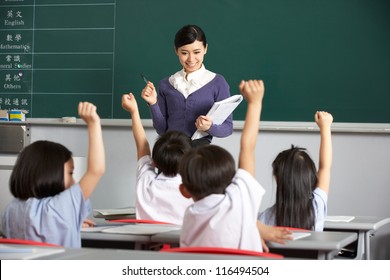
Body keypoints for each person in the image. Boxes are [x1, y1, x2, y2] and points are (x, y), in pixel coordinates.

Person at [177, 79, 266, 251]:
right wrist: (255, 103)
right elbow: (247, 148)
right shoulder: (240, 201)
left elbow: (247, 148)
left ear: (184, 191)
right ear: (231, 179)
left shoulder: (189, 216)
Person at [1, 102, 105, 247]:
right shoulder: (61, 206)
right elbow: (96, 170)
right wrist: (94, 123)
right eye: (70, 173)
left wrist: (72, 221)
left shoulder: (11, 210)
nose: (74, 180)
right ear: (50, 173)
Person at [141, 24, 233, 147]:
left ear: (205, 49)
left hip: (200, 154)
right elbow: (161, 130)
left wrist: (209, 127)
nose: (191, 59)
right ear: (176, 51)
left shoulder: (217, 82)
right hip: (170, 152)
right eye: (184, 53)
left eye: (197, 52)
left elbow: (227, 127)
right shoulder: (166, 84)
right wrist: (153, 103)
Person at [122, 92, 193, 225]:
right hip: (181, 246)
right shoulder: (193, 193)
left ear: (154, 163)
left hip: (148, 246)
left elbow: (142, 145)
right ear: (188, 163)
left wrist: (134, 111)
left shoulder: (146, 181)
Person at [258, 111, 333, 231]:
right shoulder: (316, 206)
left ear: (277, 178)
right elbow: (325, 167)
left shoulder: (264, 219)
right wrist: (325, 127)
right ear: (311, 177)